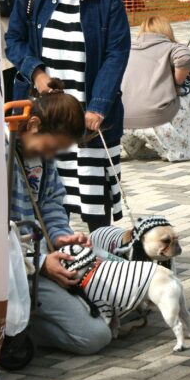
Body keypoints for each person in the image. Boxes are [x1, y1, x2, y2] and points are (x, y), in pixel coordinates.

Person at [6, 0, 131, 230]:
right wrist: (35, 73)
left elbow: (117, 54)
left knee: (93, 205)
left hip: (87, 121)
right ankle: (55, 268)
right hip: (43, 118)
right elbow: (14, 41)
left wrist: (98, 107)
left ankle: (101, 267)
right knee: (44, 202)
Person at [10, 82, 113, 355]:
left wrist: (60, 236)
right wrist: (42, 264)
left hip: (39, 256)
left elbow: (52, 204)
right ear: (33, 125)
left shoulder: (40, 156)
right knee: (96, 336)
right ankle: (18, 327)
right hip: (15, 268)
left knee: (112, 265)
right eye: (52, 146)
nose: (52, 155)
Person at [121, 16, 190, 162]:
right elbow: (186, 57)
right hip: (155, 117)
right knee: (188, 96)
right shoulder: (171, 47)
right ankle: (186, 145)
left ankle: (134, 146)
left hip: (124, 119)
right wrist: (177, 81)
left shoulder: (127, 48)